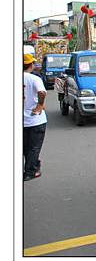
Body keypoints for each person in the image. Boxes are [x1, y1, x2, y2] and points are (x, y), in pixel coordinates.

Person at [23, 53, 47, 181]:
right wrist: (40, 104)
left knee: (24, 147)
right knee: (33, 147)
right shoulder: (34, 79)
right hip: (34, 120)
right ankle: (30, 172)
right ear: (30, 65)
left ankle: (30, 166)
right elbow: (42, 92)